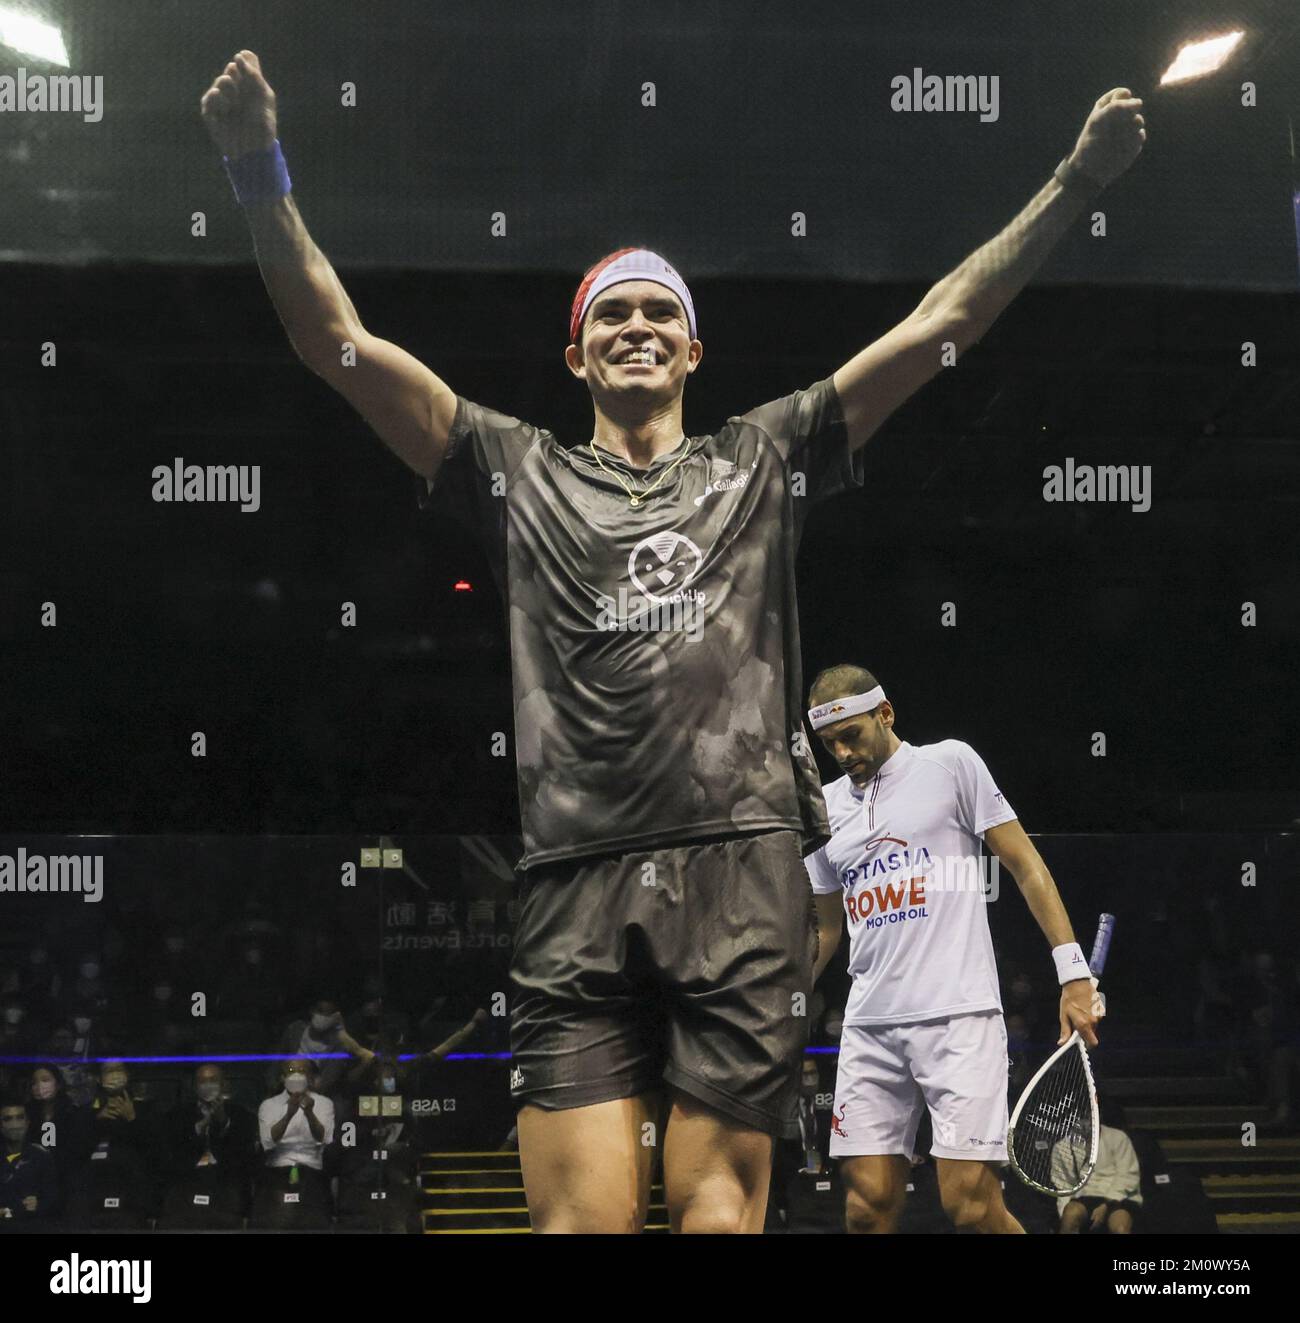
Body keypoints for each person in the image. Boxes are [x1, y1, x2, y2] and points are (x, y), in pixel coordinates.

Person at [200, 50, 1144, 1233]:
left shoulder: (766, 455)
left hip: (741, 883)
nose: (638, 326)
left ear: (692, 351)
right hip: (573, 881)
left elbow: (942, 321)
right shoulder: (512, 468)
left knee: (713, 1209)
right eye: (614, 314)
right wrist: (255, 167)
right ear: (577, 354)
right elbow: (332, 343)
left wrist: (1073, 181)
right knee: (577, 1226)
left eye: (662, 313)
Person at [804, 665, 1102, 1233]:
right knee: (866, 1209)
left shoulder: (951, 764)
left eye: (852, 736)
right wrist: (783, 1004)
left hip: (959, 1018)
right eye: (829, 743)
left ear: (884, 714)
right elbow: (824, 930)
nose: (842, 752)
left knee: (968, 1207)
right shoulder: (823, 808)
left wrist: (1073, 972)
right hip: (869, 1027)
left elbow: (1025, 864)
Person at [1057, 1106, 1142, 1234]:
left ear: (1099, 1117)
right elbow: (1064, 1186)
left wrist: (1106, 1205)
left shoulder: (1119, 1138)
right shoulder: (1063, 1146)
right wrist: (1064, 1215)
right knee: (1070, 1216)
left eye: (1090, 1117)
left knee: (1120, 1228)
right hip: (1083, 1198)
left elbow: (1127, 1177)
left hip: (1119, 1197)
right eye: (1082, 1118)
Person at [0, 1102, 59, 1225]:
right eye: (8, 1119)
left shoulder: (42, 1156)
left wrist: (39, 1205)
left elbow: (53, 1199)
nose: (14, 1124)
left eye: (20, 1117)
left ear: (27, 1123)